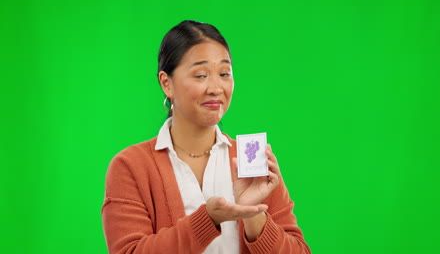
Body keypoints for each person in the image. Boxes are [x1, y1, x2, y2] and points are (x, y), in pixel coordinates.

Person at [101, 20, 311, 254]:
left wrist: (254, 214)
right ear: (166, 83)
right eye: (201, 75)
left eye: (224, 73)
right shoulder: (131, 166)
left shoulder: (252, 160)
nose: (216, 87)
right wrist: (207, 221)